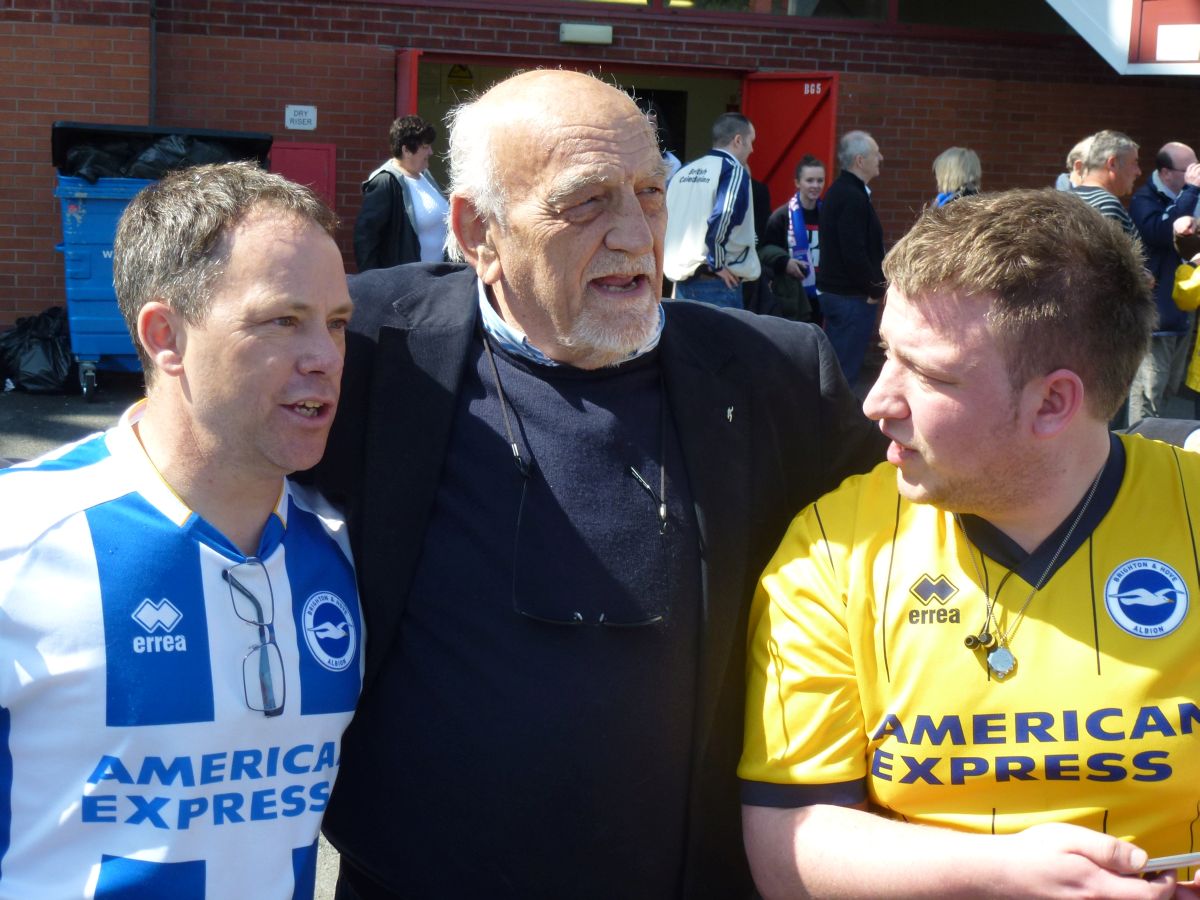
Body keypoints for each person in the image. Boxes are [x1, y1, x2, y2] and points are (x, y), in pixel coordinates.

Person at [312, 69, 884, 900]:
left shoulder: (780, 376)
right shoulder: (368, 346)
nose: (633, 235)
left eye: (650, 195)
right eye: (585, 202)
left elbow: (913, 559)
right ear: (477, 232)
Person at [739, 188, 1200, 898]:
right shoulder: (832, 551)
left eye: (927, 373)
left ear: (1053, 403)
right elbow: (787, 849)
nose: (876, 401)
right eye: (889, 352)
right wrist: (998, 875)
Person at [0, 162, 362, 898]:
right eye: (282, 321)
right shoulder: (21, 539)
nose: (324, 358)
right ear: (166, 336)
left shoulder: (349, 549)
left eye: (337, 324)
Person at [1128, 141, 1200, 423]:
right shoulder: (1145, 199)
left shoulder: (1190, 199)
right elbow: (1160, 232)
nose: (1195, 174)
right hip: (1157, 315)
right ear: (1166, 172)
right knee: (1149, 391)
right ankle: (1138, 444)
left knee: (1170, 388)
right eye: (1189, 170)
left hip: (1183, 310)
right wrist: (1191, 190)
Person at [663, 112, 761, 308]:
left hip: (681, 280)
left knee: (687, 339)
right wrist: (715, 262)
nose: (752, 149)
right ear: (738, 140)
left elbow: (664, 217)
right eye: (751, 142)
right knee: (721, 339)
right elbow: (725, 214)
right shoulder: (733, 170)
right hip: (716, 282)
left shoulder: (684, 170)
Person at [817, 130, 886, 388]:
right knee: (841, 376)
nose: (881, 157)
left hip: (847, 296)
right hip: (849, 298)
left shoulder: (848, 192)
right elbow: (853, 251)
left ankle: (831, 422)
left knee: (838, 371)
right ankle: (834, 425)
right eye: (875, 152)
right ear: (859, 160)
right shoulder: (850, 196)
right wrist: (873, 288)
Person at [353, 114, 447, 271]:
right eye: (425, 147)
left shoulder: (425, 176)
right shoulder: (385, 182)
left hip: (435, 281)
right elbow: (365, 237)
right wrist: (374, 281)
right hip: (407, 283)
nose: (430, 152)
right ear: (406, 150)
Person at [760, 154, 825, 322]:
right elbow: (765, 251)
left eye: (820, 181)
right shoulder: (781, 216)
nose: (815, 186)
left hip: (821, 295)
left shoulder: (828, 215)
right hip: (791, 295)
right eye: (809, 180)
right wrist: (785, 262)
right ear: (797, 183)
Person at [1071, 129, 1141, 237]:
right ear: (1112, 164)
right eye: (1134, 163)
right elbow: (1105, 254)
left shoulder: (1064, 197)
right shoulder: (1106, 205)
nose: (1138, 172)